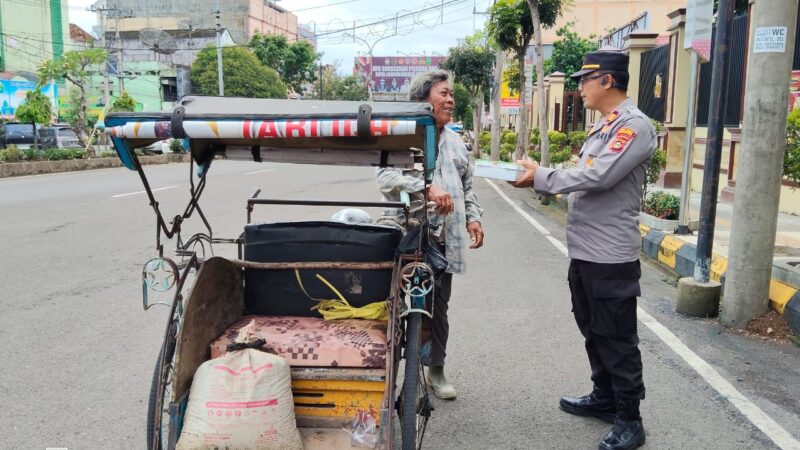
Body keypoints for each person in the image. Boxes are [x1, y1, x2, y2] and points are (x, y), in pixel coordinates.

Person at [510, 49, 655, 450]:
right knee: (592, 329)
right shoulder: (604, 126)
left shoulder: (633, 126)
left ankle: (629, 418)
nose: (579, 88)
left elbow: (599, 174)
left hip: (610, 257)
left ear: (607, 80)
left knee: (617, 337)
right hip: (586, 252)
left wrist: (541, 175)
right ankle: (604, 396)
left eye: (585, 80)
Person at [376, 70, 484, 400]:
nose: (450, 100)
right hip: (403, 234)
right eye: (443, 94)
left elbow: (467, 187)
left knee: (439, 307)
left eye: (451, 95)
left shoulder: (455, 141)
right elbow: (384, 176)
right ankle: (383, 368)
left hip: (443, 240)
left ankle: (436, 370)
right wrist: (424, 187)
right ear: (424, 100)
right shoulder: (402, 136)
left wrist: (474, 219)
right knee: (390, 303)